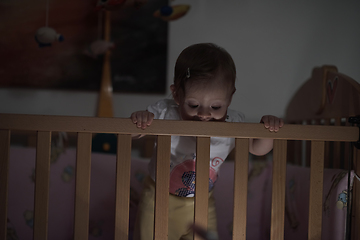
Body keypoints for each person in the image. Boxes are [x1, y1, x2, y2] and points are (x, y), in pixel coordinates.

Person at [131, 43, 284, 240]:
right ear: (177, 94)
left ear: (230, 98)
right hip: (157, 199)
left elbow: (258, 149)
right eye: (194, 104)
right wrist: (139, 122)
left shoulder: (233, 123)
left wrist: (267, 129)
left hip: (202, 203)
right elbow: (131, 135)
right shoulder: (165, 113)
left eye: (216, 106)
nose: (204, 114)